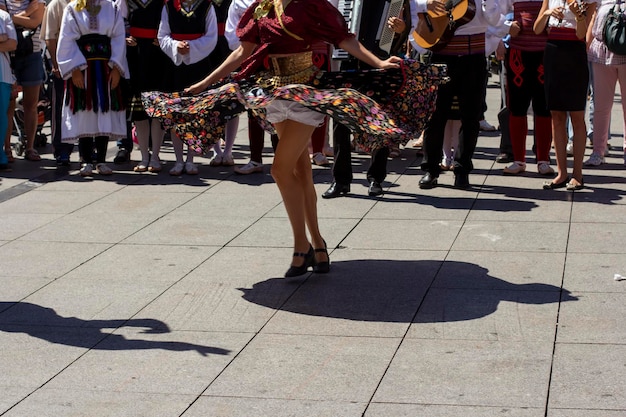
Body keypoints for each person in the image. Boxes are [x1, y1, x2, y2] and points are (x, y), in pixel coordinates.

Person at [141, 0, 444, 277]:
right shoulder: (261, 7)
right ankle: (318, 245)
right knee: (301, 173)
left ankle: (303, 247)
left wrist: (377, 63)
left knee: (280, 169)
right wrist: (205, 83)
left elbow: (344, 38)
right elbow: (242, 52)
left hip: (306, 92)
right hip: (273, 91)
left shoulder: (310, 4)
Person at [323, 0, 411, 199]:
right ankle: (340, 180)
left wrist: (400, 29)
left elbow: (404, 32)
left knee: (379, 121)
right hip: (347, 61)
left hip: (381, 62)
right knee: (341, 122)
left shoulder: (394, 2)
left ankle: (376, 178)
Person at [414, 0, 503, 190]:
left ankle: (462, 171)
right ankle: (431, 170)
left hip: (473, 57)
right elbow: (416, 4)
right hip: (442, 53)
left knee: (471, 117)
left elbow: (495, 20)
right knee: (435, 116)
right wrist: (426, 4)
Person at [56, 0, 129, 177]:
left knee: (104, 110)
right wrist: (74, 70)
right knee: (84, 112)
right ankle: (86, 160)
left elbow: (119, 38)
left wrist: (117, 68)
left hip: (106, 70)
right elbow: (66, 39)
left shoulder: (112, 8)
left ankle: (102, 160)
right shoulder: (73, 8)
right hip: (82, 68)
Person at [534, 0, 597, 190]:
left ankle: (577, 174)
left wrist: (578, 16)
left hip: (575, 54)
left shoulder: (587, 1)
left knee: (577, 116)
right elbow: (537, 29)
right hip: (553, 51)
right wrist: (547, 14)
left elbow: (581, 35)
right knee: (557, 116)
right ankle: (561, 173)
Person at [158, 0, 218, 176]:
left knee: (195, 113)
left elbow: (211, 36)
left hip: (198, 64)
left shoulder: (207, 5)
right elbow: (162, 35)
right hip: (175, 66)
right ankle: (178, 160)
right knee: (176, 113)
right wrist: (177, 46)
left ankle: (191, 159)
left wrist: (191, 47)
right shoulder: (168, 6)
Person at [500, 0, 554, 177]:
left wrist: (553, 25)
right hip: (518, 54)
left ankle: (543, 160)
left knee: (544, 108)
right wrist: (506, 27)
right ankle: (518, 160)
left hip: (544, 53)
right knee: (517, 107)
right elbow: (493, 12)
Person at [224, 0, 277, 175]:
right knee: (254, 109)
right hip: (251, 61)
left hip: (277, 61)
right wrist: (250, 43)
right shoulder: (238, 2)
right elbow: (231, 36)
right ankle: (255, 159)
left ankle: (281, 159)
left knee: (278, 110)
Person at [125, 0, 170, 173]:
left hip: (157, 55)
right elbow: (118, 21)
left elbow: (170, 22)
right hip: (135, 55)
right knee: (139, 110)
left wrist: (166, 38)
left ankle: (156, 156)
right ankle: (144, 156)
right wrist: (125, 35)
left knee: (157, 109)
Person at [3, 0, 45, 162]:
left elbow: (36, 22)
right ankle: (7, 149)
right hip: (8, 55)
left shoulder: (37, 1)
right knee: (9, 103)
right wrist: (27, 13)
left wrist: (12, 18)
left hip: (32, 54)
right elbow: (3, 19)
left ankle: (30, 147)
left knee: (31, 103)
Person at [585, 1, 626, 167]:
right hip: (601, 53)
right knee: (601, 106)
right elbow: (592, 15)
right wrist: (586, 48)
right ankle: (598, 152)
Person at [41, 0, 73, 166]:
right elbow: (49, 37)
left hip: (83, 62)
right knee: (59, 106)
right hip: (62, 64)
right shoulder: (56, 4)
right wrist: (55, 63)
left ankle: (87, 150)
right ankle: (61, 149)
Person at [0, 6, 15, 170]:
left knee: (1, 115)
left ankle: (0, 155)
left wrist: (5, 39)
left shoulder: (3, 16)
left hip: (2, 74)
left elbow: (12, 43)